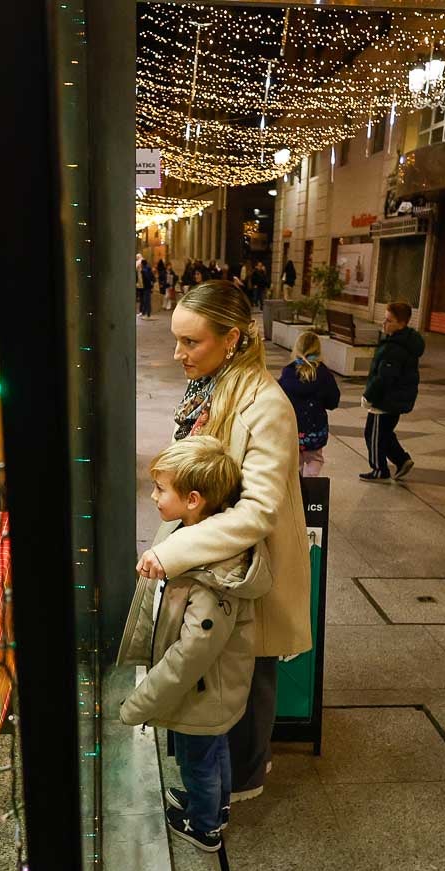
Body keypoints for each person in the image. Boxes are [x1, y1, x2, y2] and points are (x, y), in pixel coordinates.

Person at [130, 280, 311, 803]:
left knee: (248, 677)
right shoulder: (212, 387)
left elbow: (257, 510)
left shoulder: (265, 404)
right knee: (219, 674)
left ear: (231, 338)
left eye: (192, 342)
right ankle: (216, 782)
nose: (178, 353)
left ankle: (237, 789)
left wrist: (172, 551)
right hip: (218, 564)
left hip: (249, 570)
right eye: (177, 340)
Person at [118, 436, 272, 852]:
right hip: (214, 689)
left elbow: (192, 653)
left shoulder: (210, 572)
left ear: (193, 499)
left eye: (160, 489)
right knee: (213, 749)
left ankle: (204, 825)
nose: (151, 497)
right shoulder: (191, 536)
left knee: (198, 758)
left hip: (202, 690)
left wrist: (141, 702)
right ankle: (216, 808)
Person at [360, 301, 424, 481]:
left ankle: (379, 470)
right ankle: (402, 460)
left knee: (372, 434)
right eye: (384, 319)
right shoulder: (402, 341)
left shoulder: (395, 348)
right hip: (396, 399)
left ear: (401, 324)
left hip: (385, 400)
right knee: (385, 433)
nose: (384, 323)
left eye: (389, 320)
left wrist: (369, 396)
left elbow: (385, 378)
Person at [279, 330, 341, 477]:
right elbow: (333, 401)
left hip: (293, 430)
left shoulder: (288, 373)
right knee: (315, 459)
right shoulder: (324, 374)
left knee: (295, 460)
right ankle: (310, 483)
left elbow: (280, 399)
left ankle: (297, 485)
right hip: (315, 431)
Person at [137, 254, 155, 319]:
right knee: (146, 300)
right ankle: (146, 313)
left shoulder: (144, 270)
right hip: (147, 287)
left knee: (146, 300)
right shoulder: (148, 269)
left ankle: (147, 314)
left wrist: (149, 284)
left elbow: (147, 278)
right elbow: (153, 278)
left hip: (146, 287)